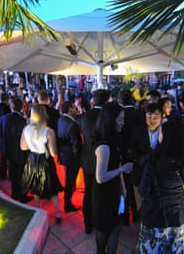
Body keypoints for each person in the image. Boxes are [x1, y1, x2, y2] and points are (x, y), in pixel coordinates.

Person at [136, 119, 184, 254]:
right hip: (178, 218)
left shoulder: (154, 161)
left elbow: (143, 190)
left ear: (164, 137)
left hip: (155, 217)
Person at [92, 102, 133, 254]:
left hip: (114, 189)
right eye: (120, 119)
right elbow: (100, 177)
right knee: (104, 229)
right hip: (104, 194)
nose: (123, 122)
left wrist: (122, 187)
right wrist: (122, 168)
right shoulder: (104, 146)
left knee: (116, 226)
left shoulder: (113, 139)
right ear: (110, 120)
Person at [20, 105, 63, 223]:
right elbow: (54, 153)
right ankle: (58, 214)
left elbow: (23, 147)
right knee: (52, 187)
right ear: (44, 115)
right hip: (45, 160)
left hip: (32, 159)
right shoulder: (49, 131)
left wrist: (33, 144)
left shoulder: (26, 129)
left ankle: (37, 210)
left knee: (35, 186)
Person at [79, 89, 110, 234]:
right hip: (104, 158)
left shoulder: (84, 117)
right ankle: (100, 222)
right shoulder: (107, 116)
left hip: (88, 158)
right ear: (107, 100)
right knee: (102, 193)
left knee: (88, 192)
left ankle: (87, 223)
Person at [128, 103, 164, 213]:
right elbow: (131, 151)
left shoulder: (166, 132)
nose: (152, 119)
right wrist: (141, 159)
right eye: (149, 115)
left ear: (161, 117)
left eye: (156, 116)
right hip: (140, 172)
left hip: (159, 174)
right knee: (140, 203)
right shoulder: (138, 130)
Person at [117, 89, 145, 225]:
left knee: (125, 187)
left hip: (122, 155)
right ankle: (135, 213)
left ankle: (125, 216)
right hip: (138, 156)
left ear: (120, 101)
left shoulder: (119, 114)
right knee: (135, 186)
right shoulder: (140, 114)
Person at [0, 98, 32, 203]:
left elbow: (1, 135)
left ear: (11, 107)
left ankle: (15, 194)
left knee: (14, 174)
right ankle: (22, 196)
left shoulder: (3, 118)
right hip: (19, 152)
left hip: (8, 151)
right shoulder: (22, 121)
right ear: (21, 108)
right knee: (21, 175)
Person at [57, 101, 83, 212]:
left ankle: (68, 199)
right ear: (69, 110)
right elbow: (76, 145)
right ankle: (68, 204)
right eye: (73, 107)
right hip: (72, 158)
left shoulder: (61, 120)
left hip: (64, 155)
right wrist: (79, 160)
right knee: (70, 180)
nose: (76, 108)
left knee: (69, 179)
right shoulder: (72, 125)